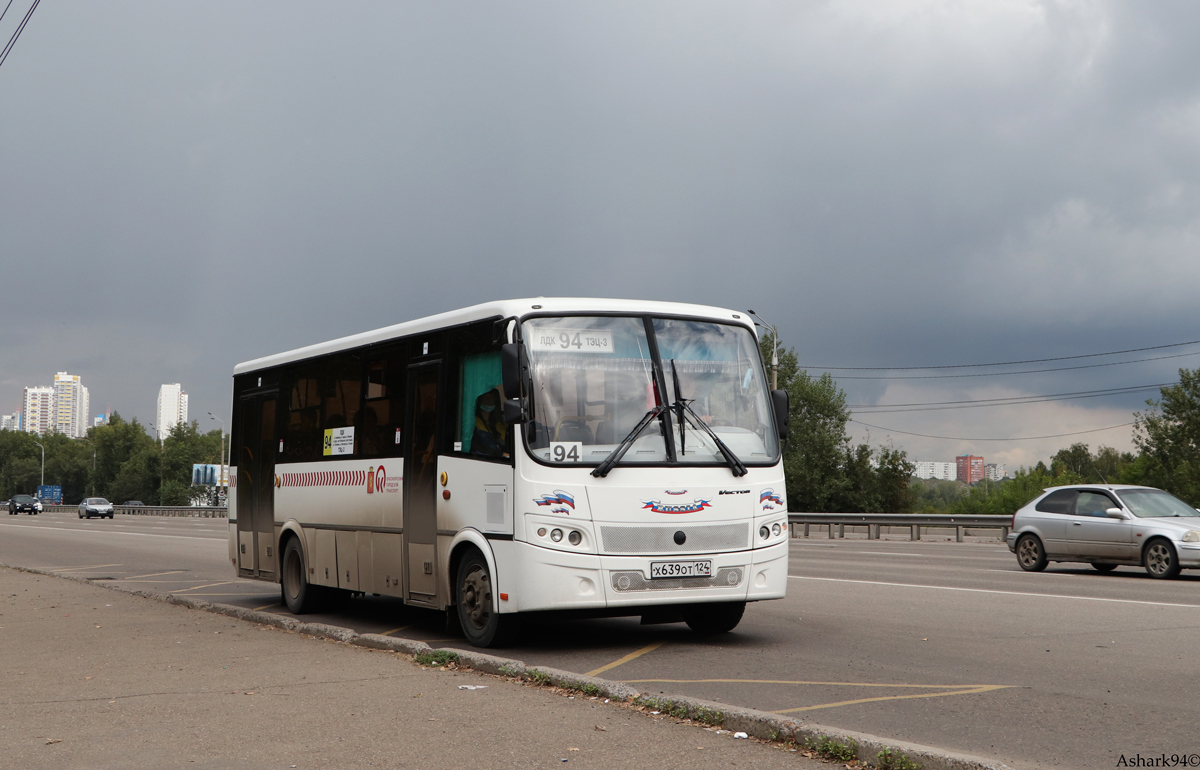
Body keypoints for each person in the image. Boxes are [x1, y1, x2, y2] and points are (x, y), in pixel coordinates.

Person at [472, 387, 508, 457]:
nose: (489, 401)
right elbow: (475, 445)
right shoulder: (473, 422)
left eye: (492, 399)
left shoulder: (498, 425)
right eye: (486, 398)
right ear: (479, 401)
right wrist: (499, 454)